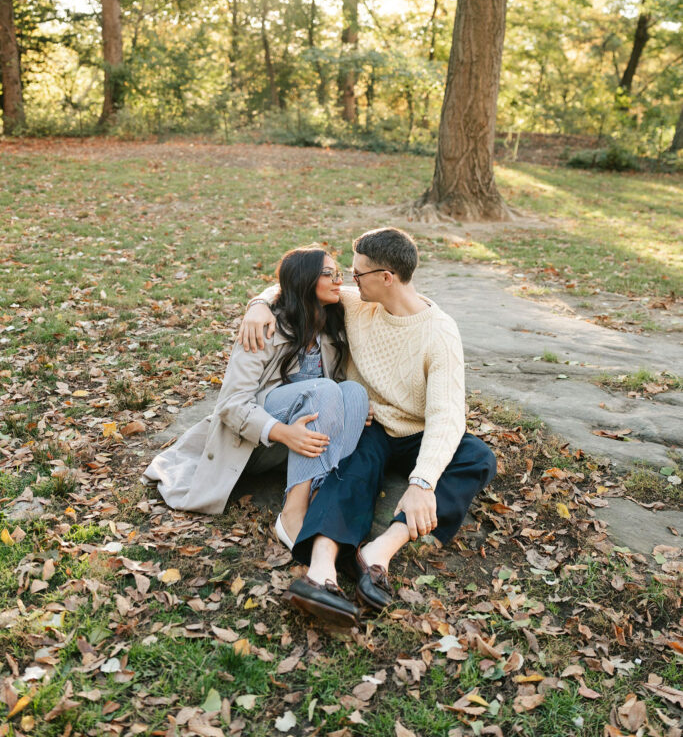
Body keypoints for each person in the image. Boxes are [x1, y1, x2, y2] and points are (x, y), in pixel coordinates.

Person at [239, 227, 497, 627]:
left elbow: (447, 417)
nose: (348, 281)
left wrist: (422, 483)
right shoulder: (360, 303)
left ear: (386, 278)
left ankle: (378, 551)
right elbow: (299, 283)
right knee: (352, 468)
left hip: (417, 433)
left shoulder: (440, 333)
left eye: (357, 273)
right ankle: (321, 569)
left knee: (477, 457)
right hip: (372, 421)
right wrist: (257, 304)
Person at [143, 247, 369, 550]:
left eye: (338, 274)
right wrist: (284, 433)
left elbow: (388, 294)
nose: (338, 281)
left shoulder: (330, 328)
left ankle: (323, 496)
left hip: (303, 445)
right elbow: (231, 404)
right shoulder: (264, 327)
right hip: (253, 445)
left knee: (353, 392)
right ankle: (293, 514)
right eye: (328, 274)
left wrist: (351, 410)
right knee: (324, 388)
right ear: (304, 280)